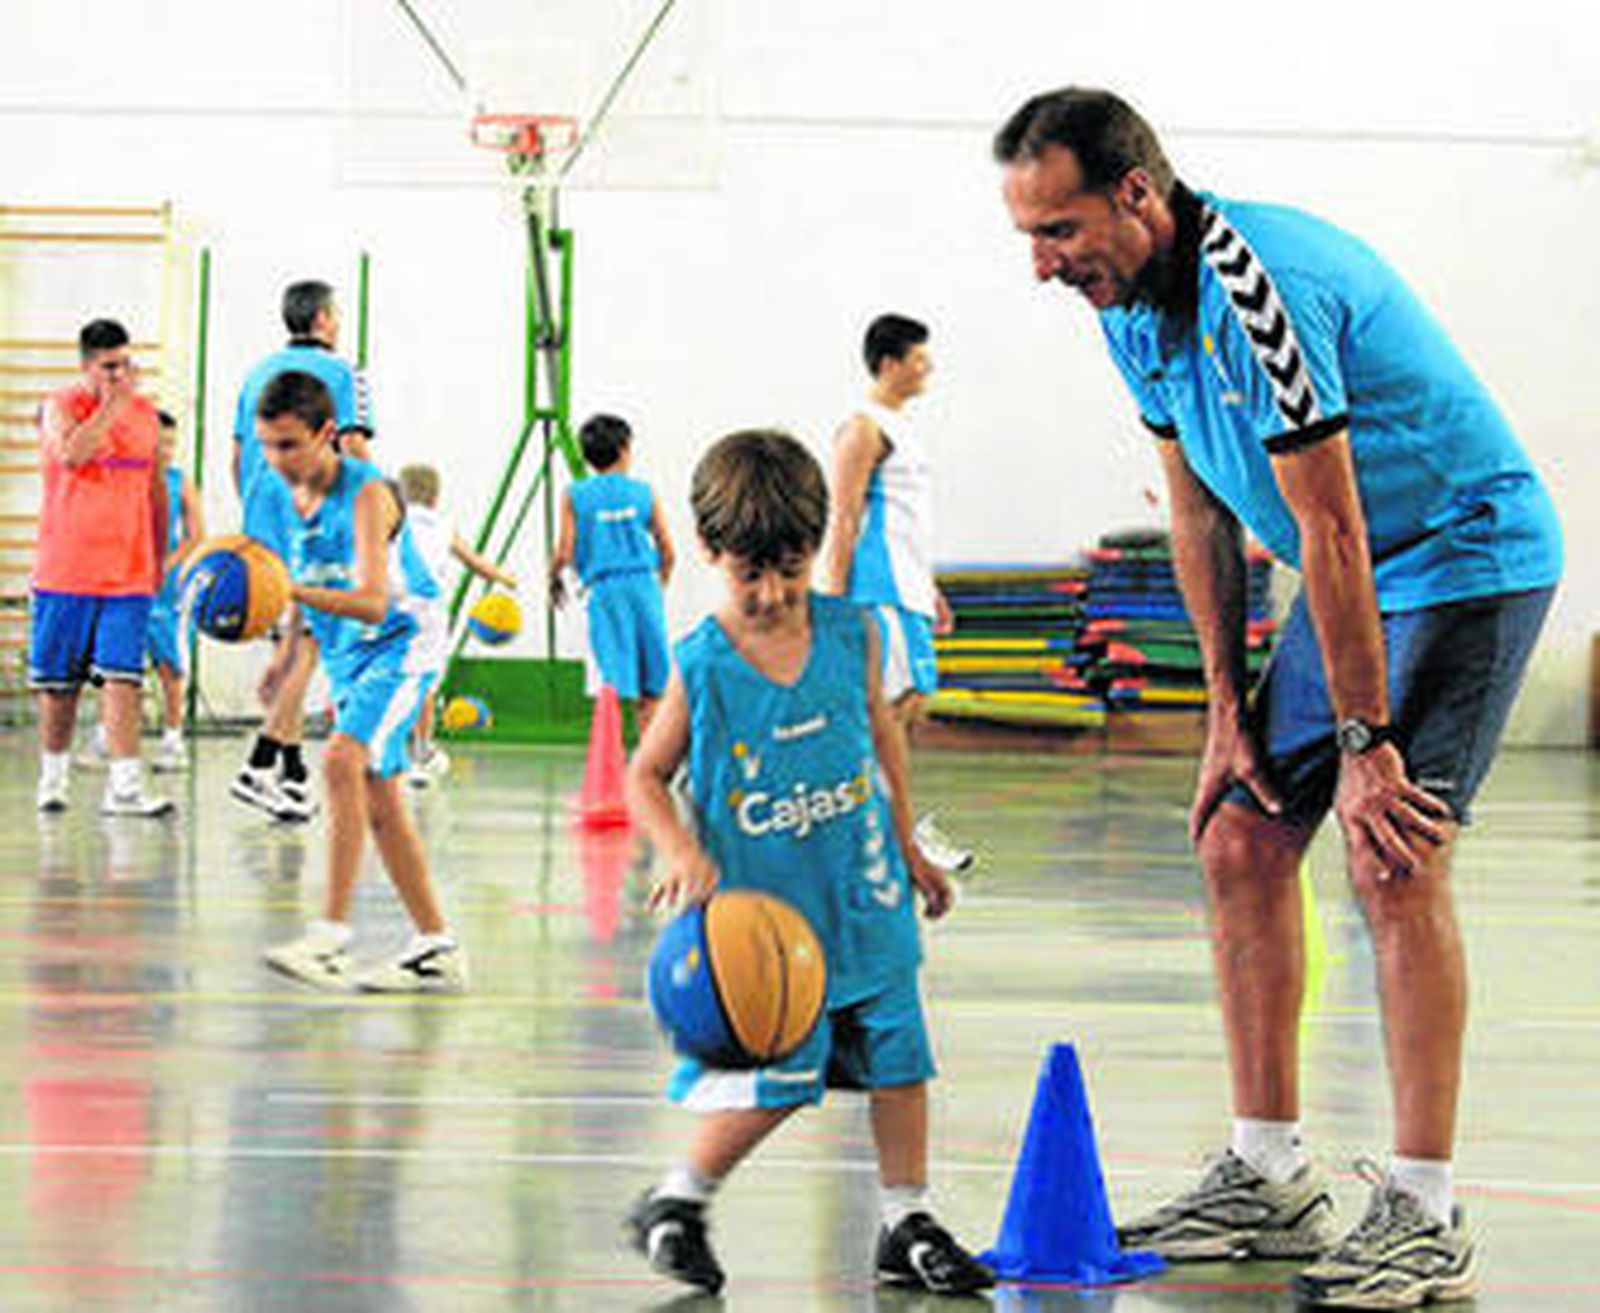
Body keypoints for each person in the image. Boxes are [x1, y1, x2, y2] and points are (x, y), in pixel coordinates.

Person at [996, 88, 1562, 1309]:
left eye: (1059, 230)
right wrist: (1222, 711)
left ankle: (1424, 1208)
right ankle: (1268, 1174)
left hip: (1461, 554)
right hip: (1357, 570)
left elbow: (1331, 523)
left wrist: (1366, 749)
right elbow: (1197, 504)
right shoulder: (1128, 306)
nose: (1043, 265)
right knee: (1242, 832)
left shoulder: (1259, 289)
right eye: (1028, 239)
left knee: (1391, 854)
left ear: (1136, 193)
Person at [623, 430, 993, 1297]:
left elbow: (883, 739)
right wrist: (678, 846)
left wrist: (909, 844)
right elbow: (643, 774)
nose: (772, 591)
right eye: (750, 572)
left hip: (864, 897)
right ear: (709, 553)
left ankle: (906, 1218)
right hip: (768, 926)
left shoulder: (850, 632)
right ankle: (678, 1197)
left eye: (789, 568)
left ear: (816, 548)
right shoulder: (704, 663)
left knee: (903, 1059)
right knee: (784, 1075)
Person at [253, 371, 465, 994]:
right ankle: (435, 944)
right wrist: (287, 651)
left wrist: (286, 592)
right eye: (266, 444)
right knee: (380, 800)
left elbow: (372, 601)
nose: (276, 459)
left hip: (401, 639)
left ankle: (332, 938)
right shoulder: (286, 493)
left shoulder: (369, 493)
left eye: (289, 444)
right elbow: (303, 575)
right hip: (347, 649)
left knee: (343, 762)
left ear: (327, 434)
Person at [821, 315, 973, 873]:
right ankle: (881, 828)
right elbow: (843, 519)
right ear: (889, 363)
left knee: (909, 705)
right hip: (876, 589)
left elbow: (911, 521)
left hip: (908, 589)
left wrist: (930, 589)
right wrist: (833, 605)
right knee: (889, 709)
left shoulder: (903, 426)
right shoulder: (862, 428)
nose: (927, 366)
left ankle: (882, 822)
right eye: (918, 357)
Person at [231, 279, 374, 822]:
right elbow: (355, 447)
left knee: (289, 645)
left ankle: (292, 778)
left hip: (261, 518)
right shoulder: (343, 373)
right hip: (315, 512)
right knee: (310, 642)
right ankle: (259, 764)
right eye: (335, 313)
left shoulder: (254, 374)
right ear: (321, 318)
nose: (338, 321)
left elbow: (237, 453)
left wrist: (256, 511)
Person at [31, 319, 174, 818]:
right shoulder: (60, 406)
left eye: (125, 364)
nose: (121, 374)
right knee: (59, 684)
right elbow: (71, 455)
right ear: (86, 366)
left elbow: (156, 492)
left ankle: (126, 786)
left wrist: (158, 557)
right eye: (109, 366)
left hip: (128, 571)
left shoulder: (146, 416)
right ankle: (53, 776)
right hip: (65, 569)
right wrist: (111, 406)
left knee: (124, 677)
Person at [548, 414, 674, 736]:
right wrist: (659, 585)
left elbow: (563, 550)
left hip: (604, 592)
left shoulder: (574, 494)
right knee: (654, 687)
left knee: (613, 687)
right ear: (624, 449)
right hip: (644, 585)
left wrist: (553, 580)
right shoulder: (644, 492)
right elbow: (668, 550)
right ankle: (651, 764)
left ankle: (611, 765)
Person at [396, 462, 519, 785]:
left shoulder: (392, 520)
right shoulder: (442, 524)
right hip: (428, 610)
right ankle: (421, 754)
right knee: (424, 684)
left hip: (390, 605)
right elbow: (473, 561)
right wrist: (504, 578)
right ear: (436, 496)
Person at [146, 409, 205, 773]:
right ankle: (110, 734)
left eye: (171, 443)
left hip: (167, 586)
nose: (166, 449)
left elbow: (197, 535)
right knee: (121, 662)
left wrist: (168, 564)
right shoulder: (130, 478)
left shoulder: (179, 481)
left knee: (170, 663)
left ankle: (173, 738)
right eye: (159, 442)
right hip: (129, 580)